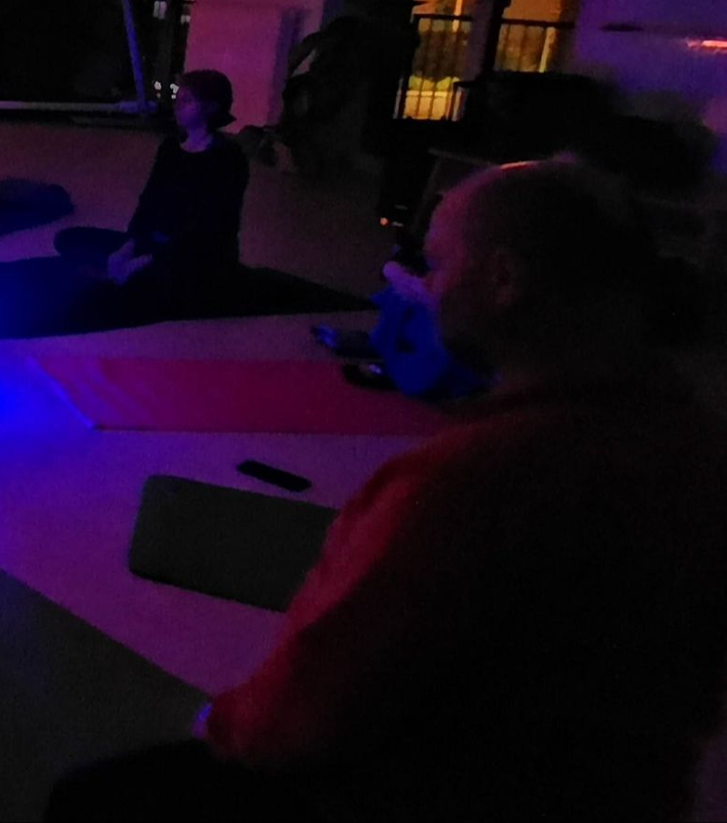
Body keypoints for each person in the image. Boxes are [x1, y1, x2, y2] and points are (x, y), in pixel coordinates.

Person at [48, 160, 727, 821]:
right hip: (625, 795)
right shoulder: (690, 439)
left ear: (504, 280)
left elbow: (308, 703)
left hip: (439, 793)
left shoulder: (466, 484)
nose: (424, 289)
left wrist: (222, 725)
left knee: (92, 798)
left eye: (436, 265)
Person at [51, 69, 247, 308]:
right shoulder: (170, 148)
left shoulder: (228, 159)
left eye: (187, 101)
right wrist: (129, 247)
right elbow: (148, 202)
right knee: (69, 239)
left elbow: (207, 229)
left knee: (175, 278)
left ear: (211, 108)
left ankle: (139, 279)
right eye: (177, 99)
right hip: (153, 242)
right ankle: (129, 276)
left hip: (195, 253)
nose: (177, 106)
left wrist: (146, 260)